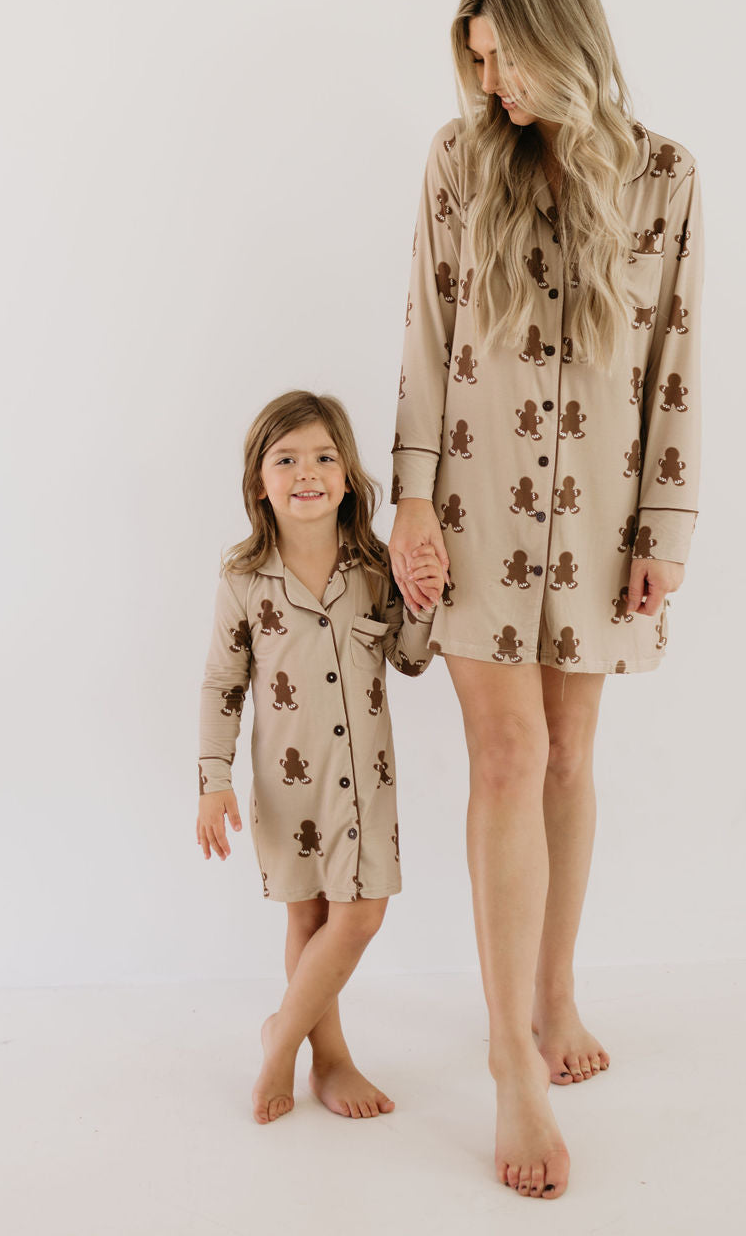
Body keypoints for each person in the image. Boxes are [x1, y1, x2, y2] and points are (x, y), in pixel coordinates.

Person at [389, 0, 705, 1199]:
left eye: (501, 55)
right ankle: (513, 1053)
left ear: (558, 39)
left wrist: (663, 527)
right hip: (471, 504)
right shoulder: (459, 160)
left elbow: (677, 349)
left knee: (571, 755)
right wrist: (410, 493)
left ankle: (553, 989)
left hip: (597, 519)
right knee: (507, 755)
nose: (489, 82)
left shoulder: (666, 177)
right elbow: (422, 323)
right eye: (473, 61)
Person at [197, 389, 444, 1124]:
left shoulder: (372, 566)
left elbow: (408, 658)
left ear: (348, 476)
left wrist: (423, 603)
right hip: (284, 787)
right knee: (307, 917)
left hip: (363, 784)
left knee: (361, 914)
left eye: (324, 456)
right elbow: (221, 683)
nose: (307, 471)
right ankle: (328, 1057)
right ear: (259, 482)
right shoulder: (244, 578)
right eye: (287, 458)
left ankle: (281, 1039)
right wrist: (213, 781)